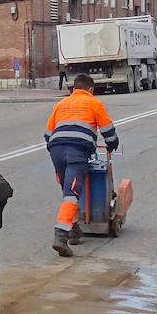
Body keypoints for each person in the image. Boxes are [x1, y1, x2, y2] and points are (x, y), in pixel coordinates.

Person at [44, 74, 119, 257]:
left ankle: (74, 228)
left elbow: (47, 134)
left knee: (67, 191)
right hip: (77, 151)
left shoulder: (60, 105)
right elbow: (108, 131)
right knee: (71, 195)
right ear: (91, 90)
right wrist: (112, 144)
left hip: (56, 150)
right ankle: (60, 237)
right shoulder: (94, 104)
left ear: (73, 89)